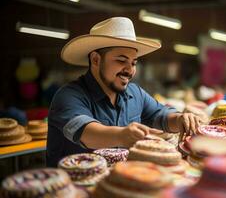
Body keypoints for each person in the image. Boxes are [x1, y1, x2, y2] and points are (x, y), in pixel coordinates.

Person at [46, 17, 202, 167]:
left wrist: (180, 119)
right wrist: (122, 135)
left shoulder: (135, 93)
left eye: (133, 63)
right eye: (121, 60)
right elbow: (86, 134)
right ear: (95, 60)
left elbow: (160, 116)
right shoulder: (68, 96)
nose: (130, 70)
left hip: (119, 182)